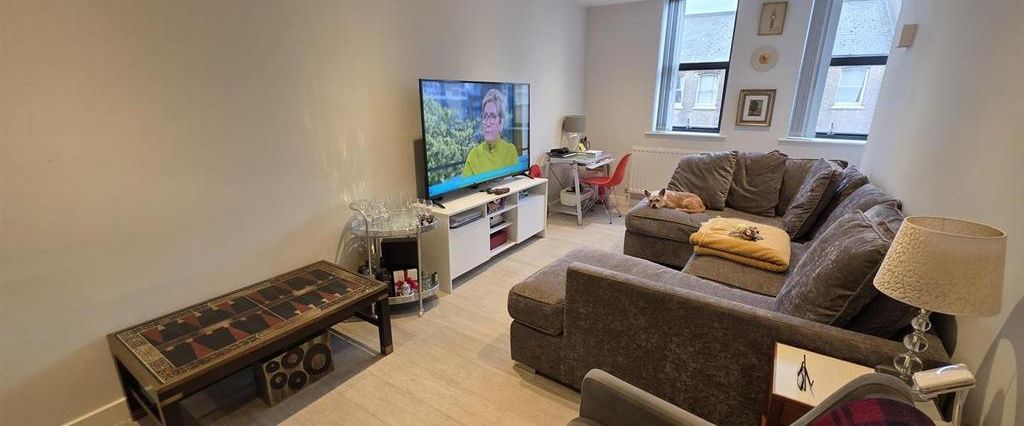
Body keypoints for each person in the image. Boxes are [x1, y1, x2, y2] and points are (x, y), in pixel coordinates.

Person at [462, 89, 519, 177]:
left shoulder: (510, 151)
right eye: (485, 116)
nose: (487, 123)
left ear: (501, 123)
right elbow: (466, 185)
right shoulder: (473, 156)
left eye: (492, 116)